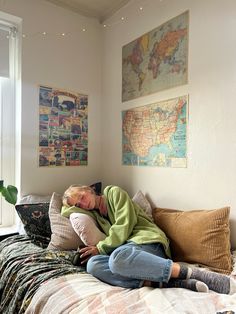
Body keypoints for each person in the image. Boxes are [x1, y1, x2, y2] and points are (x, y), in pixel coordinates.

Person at [61, 185, 231, 294]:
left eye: (82, 197)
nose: (83, 204)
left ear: (89, 189)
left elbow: (124, 225)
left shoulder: (113, 192)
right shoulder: (95, 214)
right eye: (78, 205)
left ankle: (194, 273)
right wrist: (70, 205)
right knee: (93, 265)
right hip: (129, 251)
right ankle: (168, 283)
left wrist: (100, 247)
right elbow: (64, 211)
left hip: (149, 242)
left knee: (117, 259)